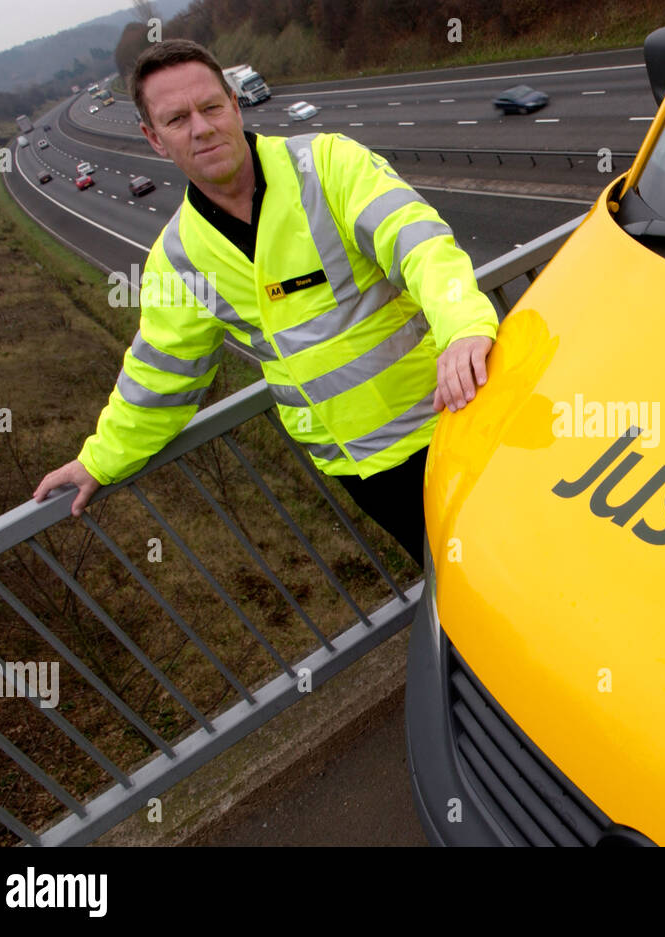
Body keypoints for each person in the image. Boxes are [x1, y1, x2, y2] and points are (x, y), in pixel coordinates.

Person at [32, 39, 497, 568]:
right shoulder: (179, 258)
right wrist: (99, 461)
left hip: (453, 418)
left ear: (234, 104)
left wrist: (464, 326)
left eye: (210, 107)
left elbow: (419, 243)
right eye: (177, 119)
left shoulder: (325, 164)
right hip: (366, 471)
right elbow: (161, 373)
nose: (201, 127)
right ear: (154, 138)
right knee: (467, 594)